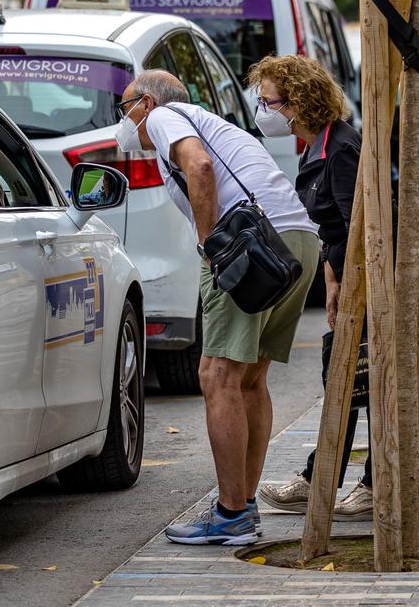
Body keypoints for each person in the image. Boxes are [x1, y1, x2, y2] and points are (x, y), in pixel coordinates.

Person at [115, 70, 320, 545]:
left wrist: (211, 246)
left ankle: (231, 514)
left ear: (145, 103)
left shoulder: (165, 116)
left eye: (124, 108)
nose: (123, 121)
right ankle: (241, 506)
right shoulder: (207, 120)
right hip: (296, 242)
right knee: (248, 378)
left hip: (250, 245)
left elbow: (200, 168)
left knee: (217, 375)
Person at [249, 55, 374, 522]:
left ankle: (368, 484)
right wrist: (330, 271)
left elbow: (358, 226)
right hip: (346, 277)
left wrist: (341, 280)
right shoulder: (315, 145)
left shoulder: (340, 147)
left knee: (361, 380)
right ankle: (320, 476)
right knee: (344, 379)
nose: (264, 111)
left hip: (368, 284)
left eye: (270, 102)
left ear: (299, 102)